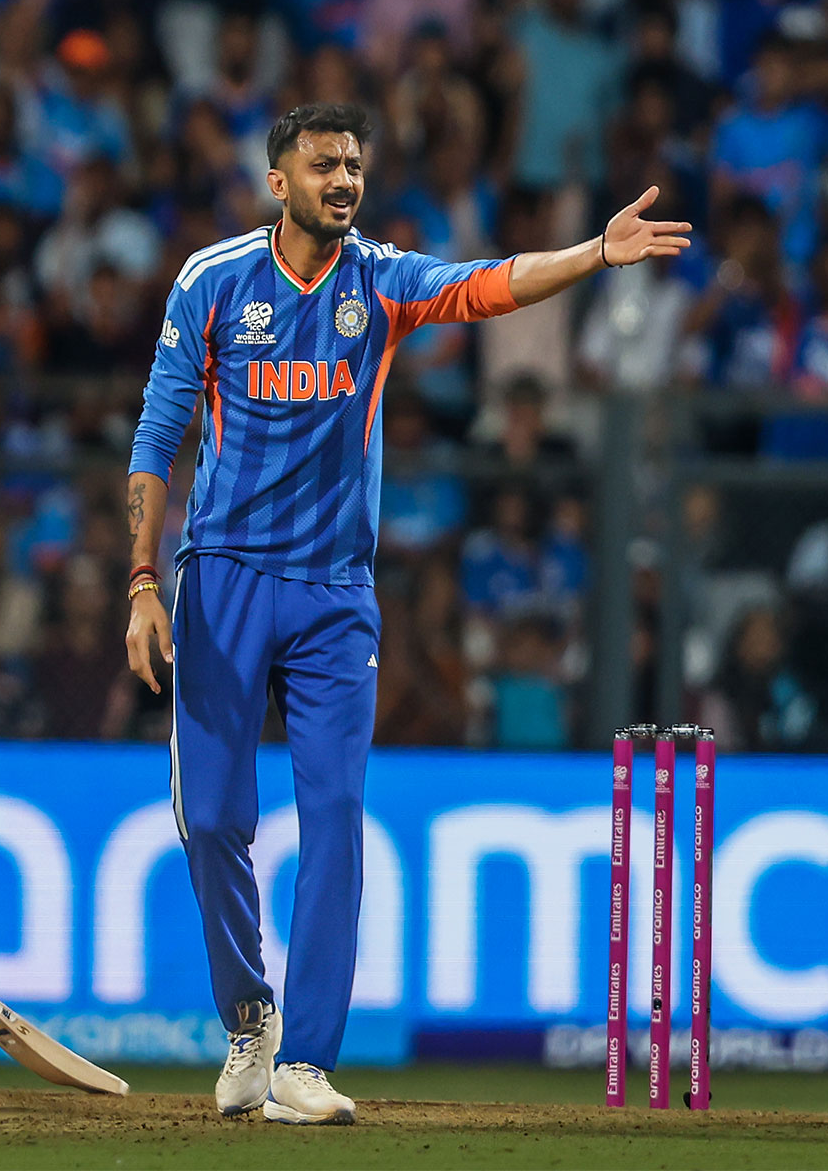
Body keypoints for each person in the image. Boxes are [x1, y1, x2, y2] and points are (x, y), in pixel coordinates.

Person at [124, 102, 689, 1125]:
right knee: (211, 819)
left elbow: (488, 287)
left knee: (335, 815)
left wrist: (593, 254)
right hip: (220, 580)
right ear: (276, 182)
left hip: (335, 591)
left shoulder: (379, 279)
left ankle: (302, 1061)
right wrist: (137, 581)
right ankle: (247, 1016)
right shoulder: (211, 282)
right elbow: (159, 431)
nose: (343, 179)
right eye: (321, 164)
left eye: (352, 165)